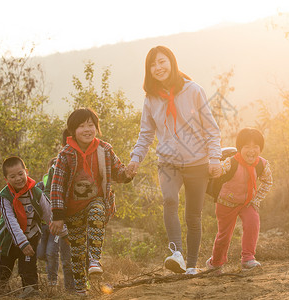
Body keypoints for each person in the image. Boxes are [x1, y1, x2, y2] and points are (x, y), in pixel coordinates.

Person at [126, 46, 222, 275]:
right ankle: (176, 253)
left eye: (162, 62)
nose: (158, 68)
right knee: (169, 200)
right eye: (153, 64)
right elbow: (146, 134)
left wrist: (215, 157)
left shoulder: (193, 90)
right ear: (148, 70)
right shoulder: (150, 98)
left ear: (172, 62)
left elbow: (212, 129)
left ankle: (190, 265)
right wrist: (135, 159)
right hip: (167, 162)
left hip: (197, 162)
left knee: (193, 215)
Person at [49, 107, 134, 296]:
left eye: (91, 125)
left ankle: (95, 260)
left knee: (97, 210)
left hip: (95, 201)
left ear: (96, 127)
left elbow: (118, 171)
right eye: (81, 126)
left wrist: (127, 174)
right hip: (72, 211)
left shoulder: (104, 149)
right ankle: (81, 290)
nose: (87, 129)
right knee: (77, 251)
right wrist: (58, 215)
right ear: (72, 131)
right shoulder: (65, 155)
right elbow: (56, 187)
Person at [0, 156, 67, 298]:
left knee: (29, 274)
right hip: (8, 242)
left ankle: (31, 294)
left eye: (20, 174)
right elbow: (11, 222)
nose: (18, 179)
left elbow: (49, 215)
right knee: (1, 275)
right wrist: (22, 243)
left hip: (30, 237)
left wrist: (64, 233)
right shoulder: (4, 196)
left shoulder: (36, 193)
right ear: (6, 179)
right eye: (12, 176)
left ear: (26, 172)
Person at [206, 128, 273, 271]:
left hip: (247, 202)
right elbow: (219, 170)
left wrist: (256, 199)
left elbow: (268, 182)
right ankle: (216, 263)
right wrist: (213, 169)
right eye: (247, 147)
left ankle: (248, 259)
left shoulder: (262, 164)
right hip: (226, 203)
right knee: (224, 235)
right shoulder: (232, 162)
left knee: (252, 223)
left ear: (260, 148)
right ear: (239, 148)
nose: (251, 151)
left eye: (256, 147)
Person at [36, 156, 75, 292]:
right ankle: (55, 275)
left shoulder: (66, 183)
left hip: (62, 225)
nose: (55, 167)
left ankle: (69, 287)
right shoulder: (42, 184)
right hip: (45, 225)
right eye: (52, 165)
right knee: (42, 254)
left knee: (58, 255)